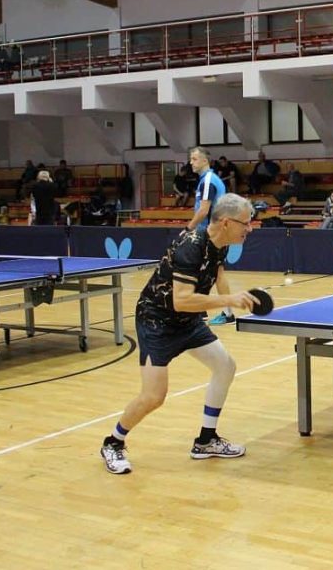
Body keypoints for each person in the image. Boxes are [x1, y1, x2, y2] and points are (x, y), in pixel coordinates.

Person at [99, 194, 260, 475]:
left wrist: (231, 307)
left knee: (225, 366)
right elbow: (181, 300)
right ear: (226, 222)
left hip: (188, 321)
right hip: (157, 322)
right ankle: (113, 442)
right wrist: (228, 300)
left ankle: (206, 440)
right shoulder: (190, 247)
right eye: (245, 223)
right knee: (154, 396)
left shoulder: (219, 245)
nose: (250, 228)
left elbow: (219, 276)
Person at [187, 146, 235, 326]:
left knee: (217, 273)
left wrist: (188, 228)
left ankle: (228, 314)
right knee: (202, 271)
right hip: (212, 233)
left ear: (205, 160)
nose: (191, 162)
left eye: (194, 159)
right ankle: (201, 311)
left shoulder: (208, 180)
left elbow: (203, 210)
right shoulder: (208, 180)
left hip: (214, 235)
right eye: (191, 159)